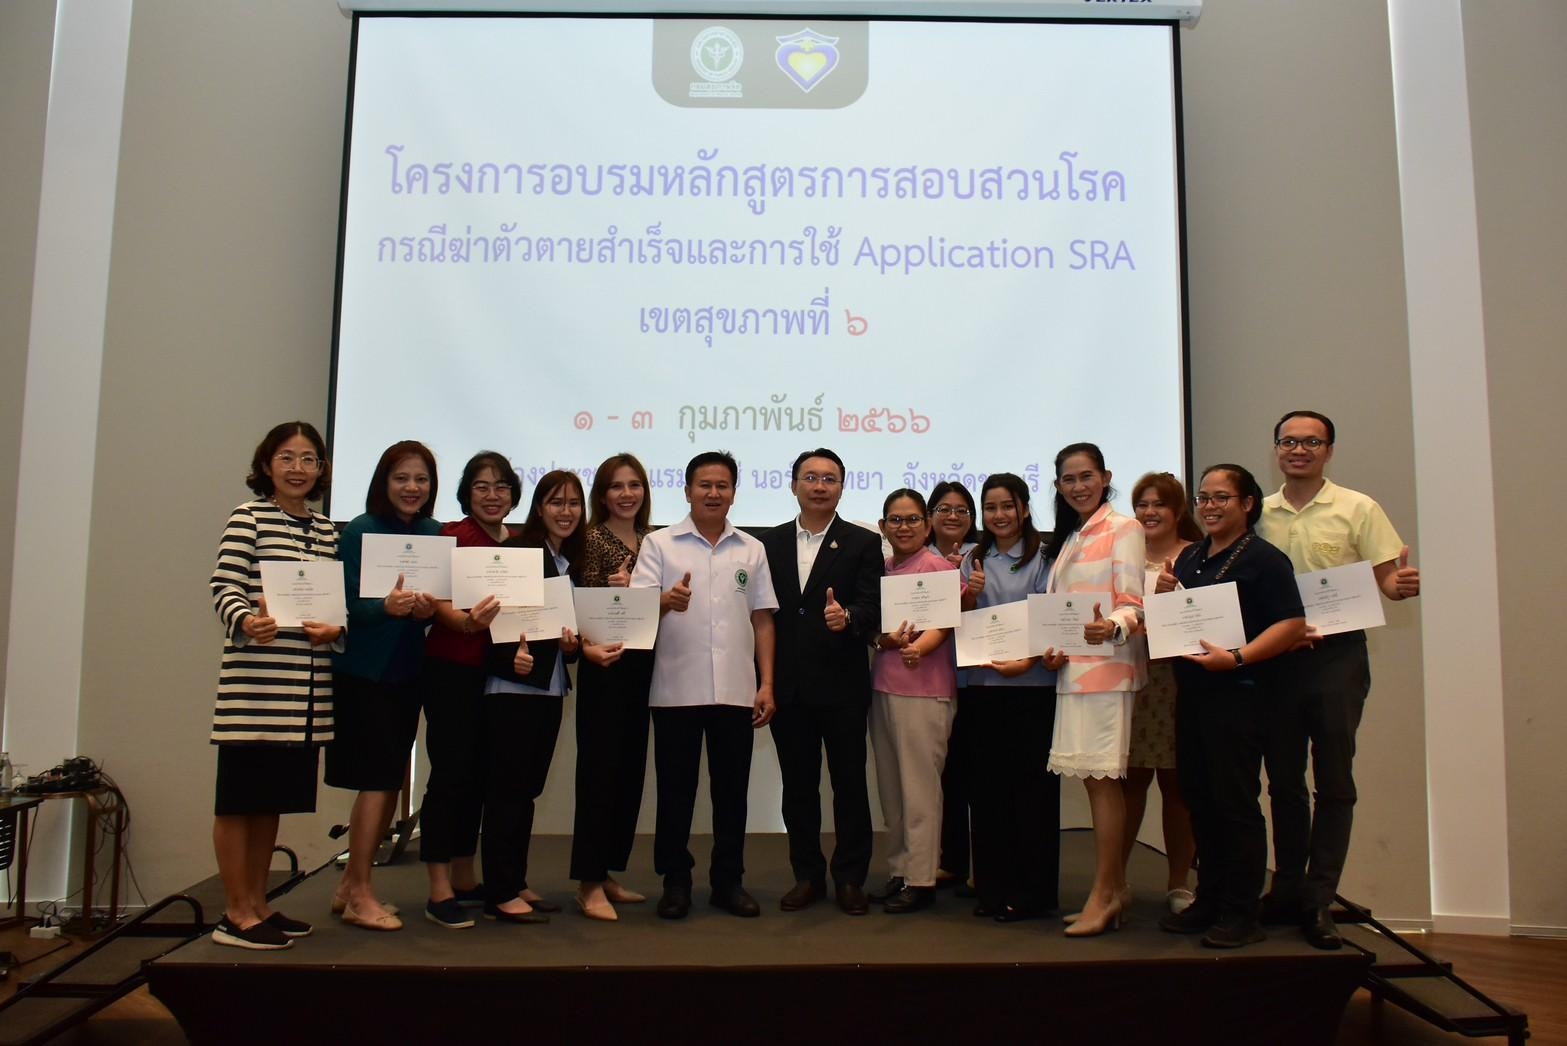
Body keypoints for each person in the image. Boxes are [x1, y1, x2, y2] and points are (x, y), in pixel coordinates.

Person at [1257, 410, 1420, 950]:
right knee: (1283, 781)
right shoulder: (1259, 512)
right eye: (1289, 441)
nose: (1298, 450)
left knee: (1334, 781)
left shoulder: (1358, 507)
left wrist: (1399, 586)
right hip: (1276, 660)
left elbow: (1387, 580)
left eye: (1311, 442)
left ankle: (1319, 899)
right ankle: (1286, 887)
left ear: (1329, 450)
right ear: (1276, 449)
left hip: (1337, 658)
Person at [1160, 464, 1306, 949]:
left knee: (1235, 802)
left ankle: (1243, 912)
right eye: (1203, 497)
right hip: (1193, 696)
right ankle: (1210, 898)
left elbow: (1291, 624)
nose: (1209, 506)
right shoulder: (1190, 556)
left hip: (1241, 695)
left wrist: (1238, 657)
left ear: (1247, 504)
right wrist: (1162, 600)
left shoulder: (1265, 559)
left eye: (1221, 497)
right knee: (1199, 798)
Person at [208, 421, 342, 950]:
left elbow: (335, 606)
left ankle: (259, 903)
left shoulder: (327, 530)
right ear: (267, 464)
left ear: (321, 469)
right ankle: (234, 913)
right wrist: (245, 619)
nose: (297, 469)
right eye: (287, 457)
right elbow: (224, 584)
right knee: (237, 803)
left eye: (309, 459)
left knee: (270, 804)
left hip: (304, 693)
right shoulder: (249, 517)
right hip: (255, 689)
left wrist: (337, 630)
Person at [631, 451, 778, 920]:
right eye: (704, 485)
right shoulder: (659, 545)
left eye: (722, 486)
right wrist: (664, 601)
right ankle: (675, 881)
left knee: (731, 793)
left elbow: (762, 619)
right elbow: (634, 610)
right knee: (675, 792)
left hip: (736, 689)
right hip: (676, 688)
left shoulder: (751, 548)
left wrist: (767, 682)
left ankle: (727, 882)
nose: (713, 493)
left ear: (734, 492)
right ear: (687, 490)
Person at [762, 448, 883, 916]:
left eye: (829, 478)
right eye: (810, 477)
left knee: (850, 786)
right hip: (789, 686)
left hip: (842, 686)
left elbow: (874, 605)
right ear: (794, 485)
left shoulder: (862, 542)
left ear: (842, 487)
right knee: (798, 788)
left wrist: (848, 616)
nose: (819, 486)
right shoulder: (768, 543)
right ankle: (807, 875)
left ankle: (850, 878)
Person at [327, 440, 441, 931]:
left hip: (409, 673)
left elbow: (436, 606)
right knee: (375, 781)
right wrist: (384, 608)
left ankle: (349, 886)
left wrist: (428, 610)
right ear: (383, 482)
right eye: (401, 478)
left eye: (421, 479)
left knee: (390, 780)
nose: (412, 487)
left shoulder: (434, 534)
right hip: (364, 674)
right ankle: (361, 893)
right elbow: (341, 606)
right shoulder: (361, 529)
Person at [1044, 444, 1146, 938]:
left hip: (1107, 672)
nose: (1078, 486)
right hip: (1073, 673)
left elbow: (1133, 603)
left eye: (1086, 476)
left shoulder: (1124, 528)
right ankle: (1115, 889)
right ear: (1058, 486)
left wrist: (1114, 627)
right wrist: (1051, 649)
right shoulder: (1073, 535)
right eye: (1069, 479)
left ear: (1105, 477)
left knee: (1104, 783)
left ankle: (1105, 894)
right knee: (1093, 783)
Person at [481, 469, 586, 924]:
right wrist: (509, 659)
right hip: (512, 689)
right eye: (557, 502)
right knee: (507, 790)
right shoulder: (518, 553)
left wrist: (571, 647)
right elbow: (487, 618)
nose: (566, 512)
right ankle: (499, 891)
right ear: (539, 508)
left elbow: (565, 636)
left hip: (549, 687)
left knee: (526, 790)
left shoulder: (568, 561)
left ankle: (515, 880)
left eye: (574, 504)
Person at [958, 473, 1059, 923]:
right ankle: (992, 889)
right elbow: (959, 620)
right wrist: (969, 596)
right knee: (987, 792)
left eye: (1007, 506)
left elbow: (1050, 620)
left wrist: (1026, 661)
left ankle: (1033, 893)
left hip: (1032, 688)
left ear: (1024, 509)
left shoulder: (1045, 557)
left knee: (1031, 794)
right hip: (982, 689)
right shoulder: (972, 559)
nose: (998, 515)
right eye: (990, 507)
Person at [417, 452, 511, 929]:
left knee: (479, 776)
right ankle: (438, 888)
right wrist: (467, 623)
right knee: (450, 775)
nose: (492, 496)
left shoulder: (515, 544)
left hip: (495, 677)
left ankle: (463, 875)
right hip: (451, 670)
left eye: (501, 487)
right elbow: (435, 602)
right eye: (481, 486)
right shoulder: (451, 536)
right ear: (466, 493)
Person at [569, 454, 656, 921]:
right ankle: (588, 882)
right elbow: (577, 604)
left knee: (628, 774)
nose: (627, 494)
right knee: (599, 775)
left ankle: (605, 873)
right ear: (602, 495)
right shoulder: (589, 538)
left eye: (634, 485)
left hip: (644, 667)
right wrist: (616, 592)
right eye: (617, 486)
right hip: (605, 667)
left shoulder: (652, 540)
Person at [868, 490, 958, 913]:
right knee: (892, 790)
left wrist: (918, 649)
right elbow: (877, 630)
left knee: (920, 790)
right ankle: (900, 870)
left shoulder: (938, 567)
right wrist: (884, 640)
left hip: (925, 691)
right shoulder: (884, 570)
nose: (903, 527)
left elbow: (944, 624)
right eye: (895, 520)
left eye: (912, 520)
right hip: (884, 688)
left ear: (927, 525)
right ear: (883, 527)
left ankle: (921, 878)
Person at [1123, 472, 1200, 914]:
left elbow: (1208, 619)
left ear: (1177, 511)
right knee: (1129, 783)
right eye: (1142, 504)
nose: (1149, 513)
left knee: (1177, 786)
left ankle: (1179, 884)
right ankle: (1115, 880)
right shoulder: (1124, 555)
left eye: (1159, 505)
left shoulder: (1196, 555)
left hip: (1177, 680)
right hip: (1130, 677)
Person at [927, 481, 978, 895]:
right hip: (932, 678)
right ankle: (950, 860)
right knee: (946, 775)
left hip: (977, 678)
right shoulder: (916, 558)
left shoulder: (983, 557)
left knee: (976, 772)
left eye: (962, 510)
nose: (953, 516)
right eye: (944, 509)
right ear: (929, 516)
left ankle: (983, 863)